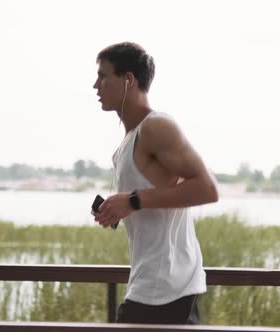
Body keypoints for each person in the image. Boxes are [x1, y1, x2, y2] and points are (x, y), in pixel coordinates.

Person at [91, 41, 219, 324]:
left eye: (103, 76)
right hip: (152, 286)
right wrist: (117, 207)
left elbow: (207, 189)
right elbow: (157, 195)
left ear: (128, 80)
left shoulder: (156, 127)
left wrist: (132, 200)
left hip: (165, 290)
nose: (95, 85)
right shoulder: (131, 137)